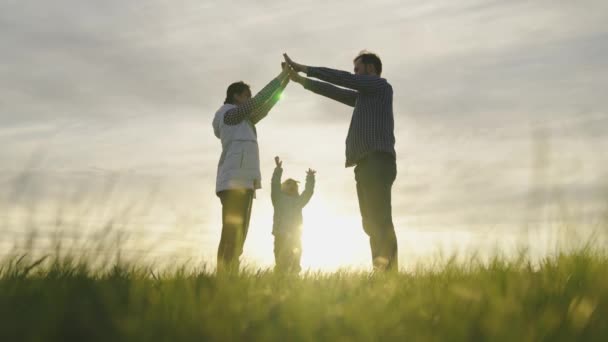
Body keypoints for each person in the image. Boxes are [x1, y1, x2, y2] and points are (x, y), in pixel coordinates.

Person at [284, 51, 398, 271]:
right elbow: (333, 91)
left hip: (378, 162)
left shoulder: (380, 87)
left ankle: (390, 273)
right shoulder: (364, 97)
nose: (354, 74)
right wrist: (301, 81)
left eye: (358, 69)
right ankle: (381, 270)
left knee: (381, 221)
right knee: (370, 224)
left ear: (371, 69)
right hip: (364, 165)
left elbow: (342, 79)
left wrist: (304, 68)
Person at [212, 63, 290, 272]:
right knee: (232, 230)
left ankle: (230, 274)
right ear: (237, 96)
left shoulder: (243, 120)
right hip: (233, 181)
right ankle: (224, 274)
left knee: (240, 232)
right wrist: (280, 75)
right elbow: (260, 100)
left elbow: (266, 106)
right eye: (246, 95)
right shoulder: (229, 114)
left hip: (244, 181)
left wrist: (286, 82)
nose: (249, 99)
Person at [271, 156, 315, 273]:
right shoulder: (278, 198)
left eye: (294, 185)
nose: (292, 186)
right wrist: (278, 170)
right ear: (283, 187)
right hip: (280, 236)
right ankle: (279, 282)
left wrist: (310, 178)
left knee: (295, 264)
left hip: (296, 237)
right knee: (281, 264)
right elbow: (274, 185)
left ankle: (293, 282)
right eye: (288, 184)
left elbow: (308, 192)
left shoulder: (298, 201)